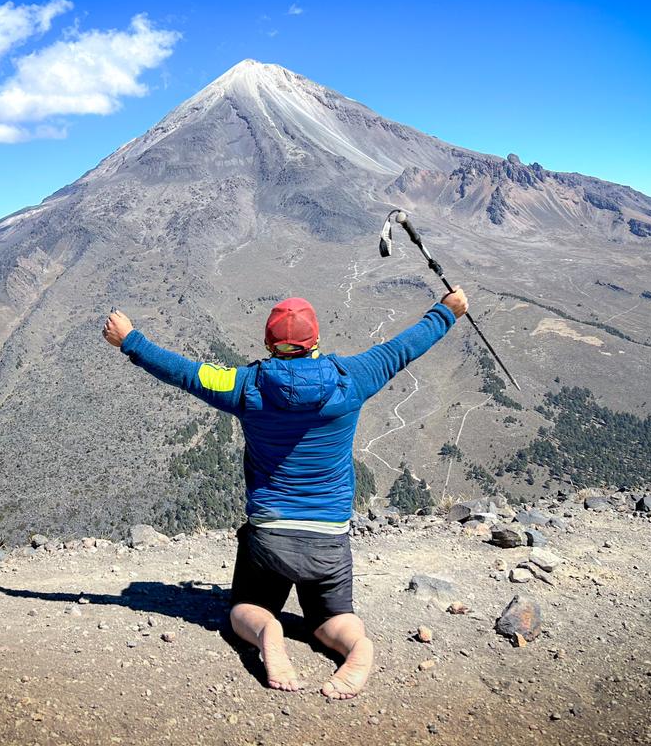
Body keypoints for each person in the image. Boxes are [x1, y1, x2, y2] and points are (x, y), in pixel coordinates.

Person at [102, 286, 468, 699]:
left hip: (269, 540)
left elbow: (187, 373)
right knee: (333, 620)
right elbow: (404, 347)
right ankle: (356, 646)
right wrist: (446, 311)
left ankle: (267, 632)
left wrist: (130, 340)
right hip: (329, 539)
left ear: (268, 343)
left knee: (245, 609)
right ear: (316, 342)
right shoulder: (357, 375)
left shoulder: (245, 384)